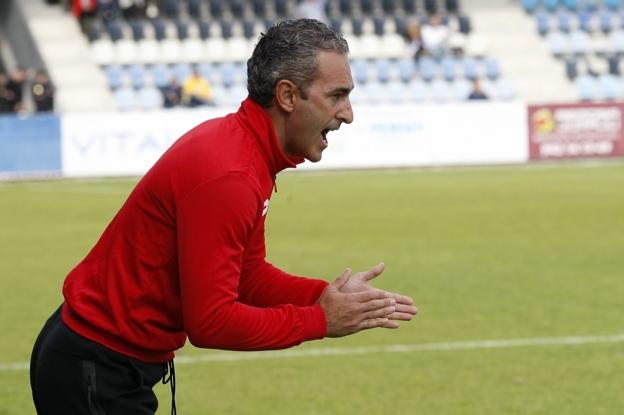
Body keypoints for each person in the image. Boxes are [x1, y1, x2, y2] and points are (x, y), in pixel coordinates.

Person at [30, 19, 418, 415]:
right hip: (95, 367)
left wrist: (322, 296)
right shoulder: (231, 174)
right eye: (337, 95)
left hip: (102, 361)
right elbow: (211, 322)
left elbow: (246, 274)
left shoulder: (246, 151)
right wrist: (319, 320)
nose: (348, 114)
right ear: (287, 95)